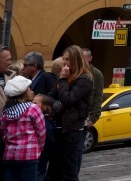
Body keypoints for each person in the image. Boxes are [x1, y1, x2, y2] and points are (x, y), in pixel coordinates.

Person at [48, 45, 93, 181]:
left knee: (69, 171)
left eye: (67, 59)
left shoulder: (84, 79)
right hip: (59, 127)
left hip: (72, 129)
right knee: (53, 169)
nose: (64, 62)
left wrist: (62, 80)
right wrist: (55, 103)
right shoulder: (66, 78)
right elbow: (50, 95)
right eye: (64, 59)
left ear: (75, 60)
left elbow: (67, 100)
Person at [2, 75, 45, 181]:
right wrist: (38, 148)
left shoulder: (6, 111)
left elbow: (2, 131)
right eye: (29, 89)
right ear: (24, 92)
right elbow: (41, 132)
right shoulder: (32, 109)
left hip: (10, 155)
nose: (31, 91)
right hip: (29, 154)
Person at [34, 93, 57, 181]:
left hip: (41, 158)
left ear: (45, 107)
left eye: (35, 103)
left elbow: (49, 144)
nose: (32, 105)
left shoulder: (46, 124)